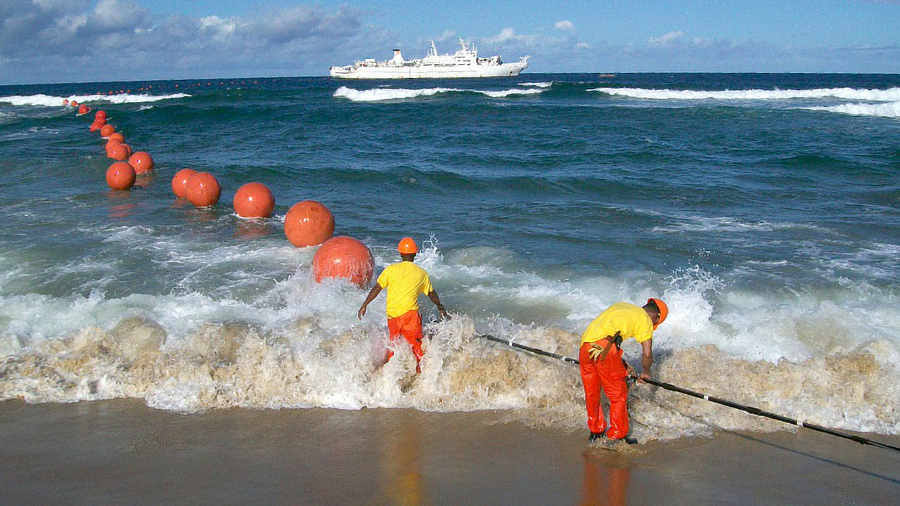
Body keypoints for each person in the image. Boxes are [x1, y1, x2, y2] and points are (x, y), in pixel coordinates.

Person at [579, 298, 668, 443]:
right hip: (604, 348)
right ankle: (617, 435)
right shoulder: (645, 320)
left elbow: (609, 333)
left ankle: (595, 431)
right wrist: (645, 372)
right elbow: (647, 354)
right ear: (655, 316)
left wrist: (619, 361)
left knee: (592, 391)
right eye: (655, 323)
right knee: (618, 393)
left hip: (586, 346)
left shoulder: (622, 306)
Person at [358, 237, 449, 373]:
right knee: (416, 346)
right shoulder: (421, 273)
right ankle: (421, 374)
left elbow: (377, 288)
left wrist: (365, 304)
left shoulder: (391, 270)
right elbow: (431, 293)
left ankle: (392, 373)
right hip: (410, 316)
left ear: (400, 254)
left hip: (393, 317)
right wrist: (440, 306)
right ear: (415, 254)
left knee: (395, 345)